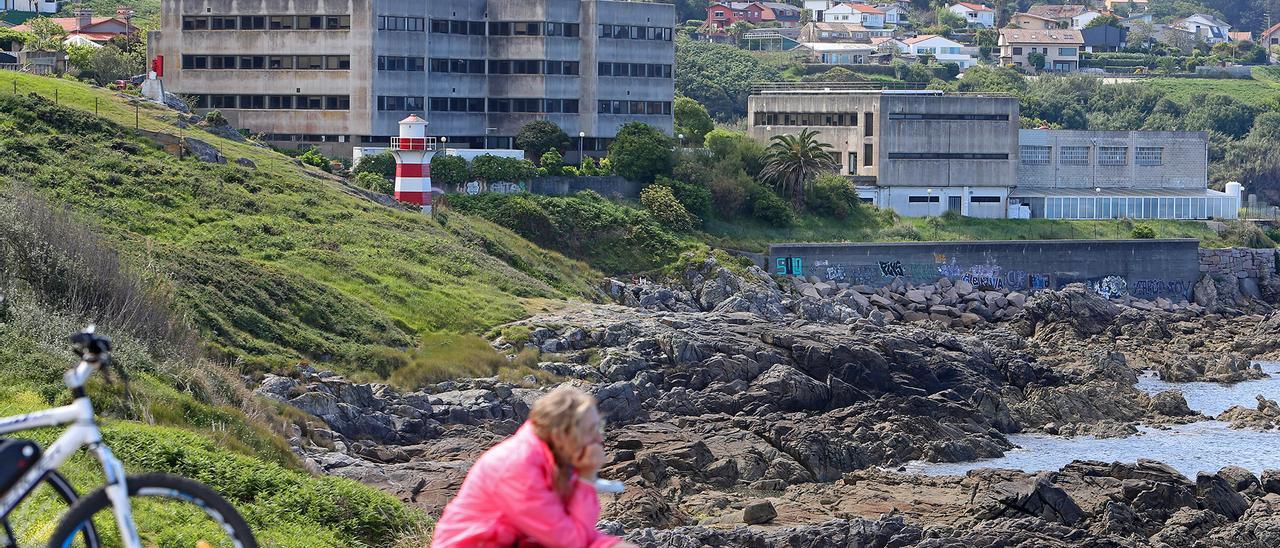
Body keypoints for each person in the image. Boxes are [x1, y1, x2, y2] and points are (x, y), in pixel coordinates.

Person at [431, 387, 637, 548]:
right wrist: (586, 477)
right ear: (561, 435)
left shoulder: (557, 455)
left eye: (599, 427)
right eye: (591, 430)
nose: (599, 438)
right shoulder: (519, 466)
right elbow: (569, 542)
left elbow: (582, 532)